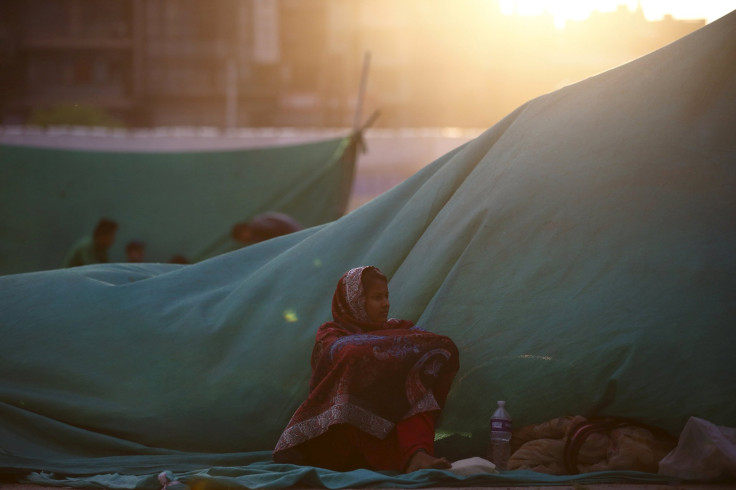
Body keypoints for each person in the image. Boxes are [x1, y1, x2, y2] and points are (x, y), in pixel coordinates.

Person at [273, 266, 459, 473]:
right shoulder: (331, 334)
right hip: (340, 433)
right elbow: (348, 352)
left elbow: (435, 343)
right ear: (356, 301)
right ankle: (408, 459)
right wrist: (389, 350)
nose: (386, 304)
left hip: (387, 425)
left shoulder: (396, 327)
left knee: (416, 392)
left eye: (387, 296)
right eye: (377, 297)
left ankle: (417, 455)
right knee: (359, 402)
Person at [231, 212, 303, 246]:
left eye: (242, 237)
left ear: (244, 230)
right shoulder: (256, 233)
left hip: (294, 234)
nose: (244, 240)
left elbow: (275, 232)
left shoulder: (258, 225)